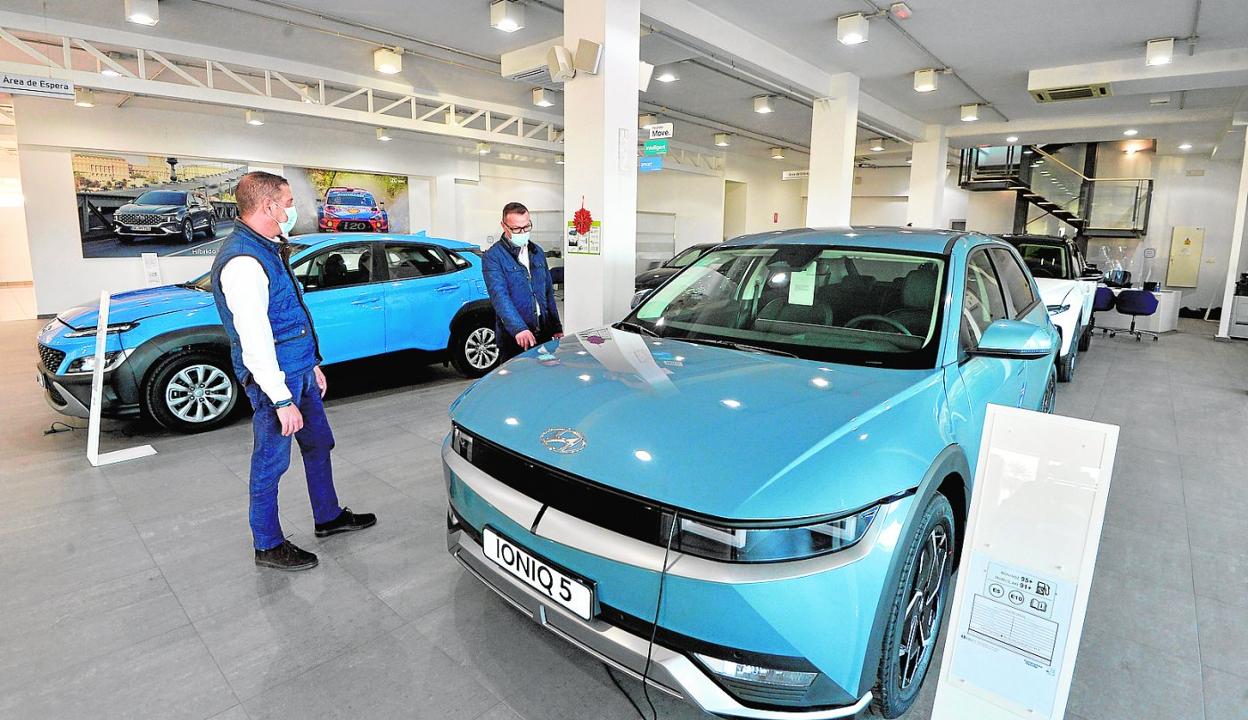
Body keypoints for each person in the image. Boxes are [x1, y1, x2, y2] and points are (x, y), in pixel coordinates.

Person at [209, 171, 375, 572]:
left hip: (299, 370)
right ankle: (267, 544)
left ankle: (328, 516)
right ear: (268, 207)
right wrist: (281, 399)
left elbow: (291, 314)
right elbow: (255, 339)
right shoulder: (244, 261)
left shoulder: (270, 248)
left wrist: (312, 363)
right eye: (286, 203)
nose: (291, 210)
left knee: (319, 444)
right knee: (271, 462)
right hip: (275, 382)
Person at [482, 202, 564, 361]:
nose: (523, 232)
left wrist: (556, 327)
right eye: (517, 229)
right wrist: (519, 328)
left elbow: (548, 292)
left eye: (527, 227)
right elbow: (499, 297)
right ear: (504, 226)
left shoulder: (537, 252)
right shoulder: (493, 257)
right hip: (514, 337)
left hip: (544, 333)